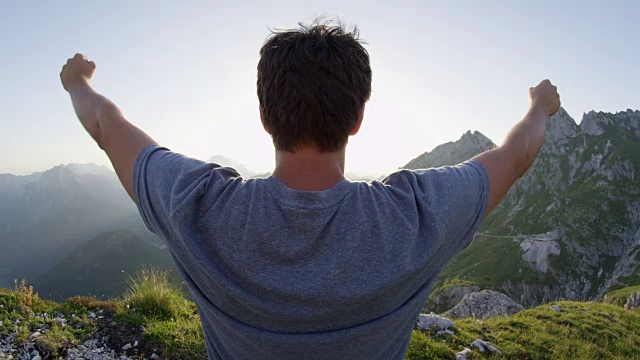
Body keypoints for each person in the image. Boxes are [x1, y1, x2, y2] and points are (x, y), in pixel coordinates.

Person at [60, 21, 560, 360]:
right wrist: (539, 106)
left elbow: (107, 125)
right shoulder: (414, 218)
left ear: (263, 117)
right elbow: (516, 155)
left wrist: (78, 82)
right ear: (358, 118)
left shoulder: (200, 206)